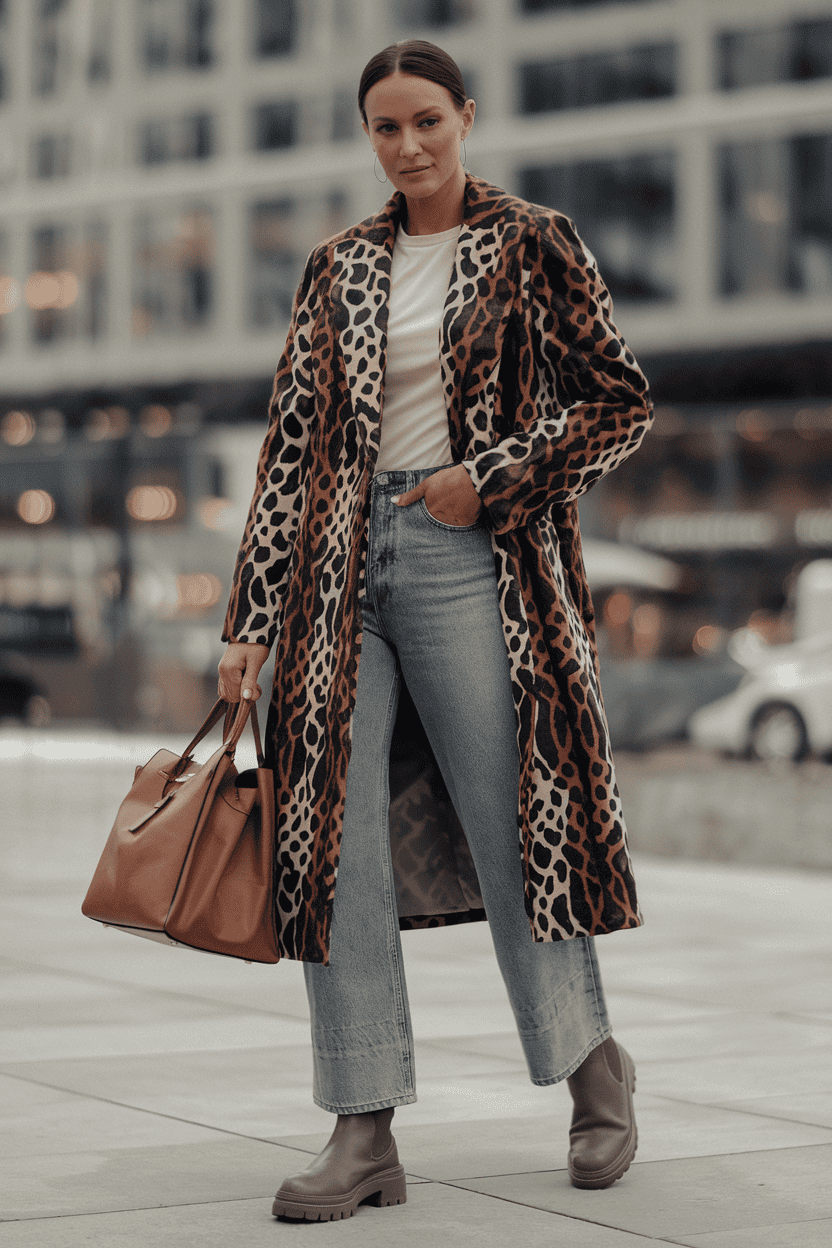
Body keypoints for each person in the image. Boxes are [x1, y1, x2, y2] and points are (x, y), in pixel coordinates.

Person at [218, 38, 653, 1223]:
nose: (406, 146)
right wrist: (248, 619)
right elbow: (290, 447)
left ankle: (590, 1069)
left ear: (466, 115)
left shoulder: (534, 242)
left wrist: (491, 476)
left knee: (520, 826)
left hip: (475, 559)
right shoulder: (337, 266)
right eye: (383, 128)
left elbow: (617, 401)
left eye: (425, 122)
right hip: (329, 572)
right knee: (330, 852)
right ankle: (361, 1128)